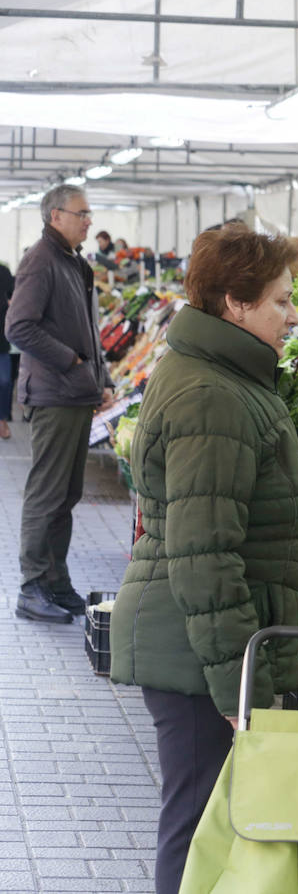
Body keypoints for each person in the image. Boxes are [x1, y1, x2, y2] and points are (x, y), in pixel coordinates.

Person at [109, 224, 298, 894]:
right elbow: (205, 556)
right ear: (236, 303)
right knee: (198, 827)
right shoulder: (213, 396)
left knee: (208, 824)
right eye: (281, 301)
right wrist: (238, 687)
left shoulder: (220, 376)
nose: (292, 315)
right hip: (198, 655)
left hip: (198, 645)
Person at [4, 184, 115, 624]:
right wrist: (72, 363)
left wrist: (99, 377)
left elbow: (85, 326)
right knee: (46, 494)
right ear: (56, 216)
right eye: (82, 212)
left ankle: (55, 581)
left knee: (66, 493)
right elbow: (19, 327)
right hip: (53, 394)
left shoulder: (73, 260)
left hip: (74, 392)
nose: (90, 220)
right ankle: (32, 588)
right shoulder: (41, 260)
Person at [0, 260, 14, 439]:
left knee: (5, 382)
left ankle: (2, 420)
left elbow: (14, 293)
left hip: (2, 341)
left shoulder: (3, 271)